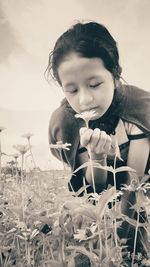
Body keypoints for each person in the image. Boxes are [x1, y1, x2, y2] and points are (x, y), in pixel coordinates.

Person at [46, 21, 150, 256]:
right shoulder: (67, 123)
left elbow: (133, 188)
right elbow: (95, 189)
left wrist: (128, 254)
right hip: (99, 196)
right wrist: (97, 157)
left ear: (114, 76)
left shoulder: (139, 111)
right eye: (71, 90)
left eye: (94, 84)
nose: (84, 100)